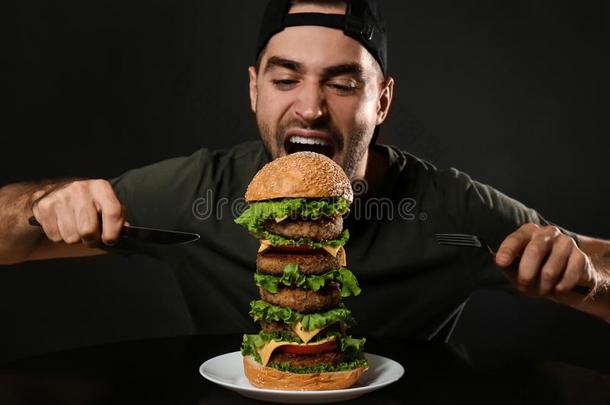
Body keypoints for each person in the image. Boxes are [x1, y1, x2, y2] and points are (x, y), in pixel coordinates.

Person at [0, 0, 608, 339]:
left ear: (383, 100)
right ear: (253, 91)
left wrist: (584, 275)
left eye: (343, 83)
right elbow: (12, 239)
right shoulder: (197, 191)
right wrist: (47, 202)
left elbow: (593, 264)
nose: (311, 108)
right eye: (285, 78)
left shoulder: (451, 206)